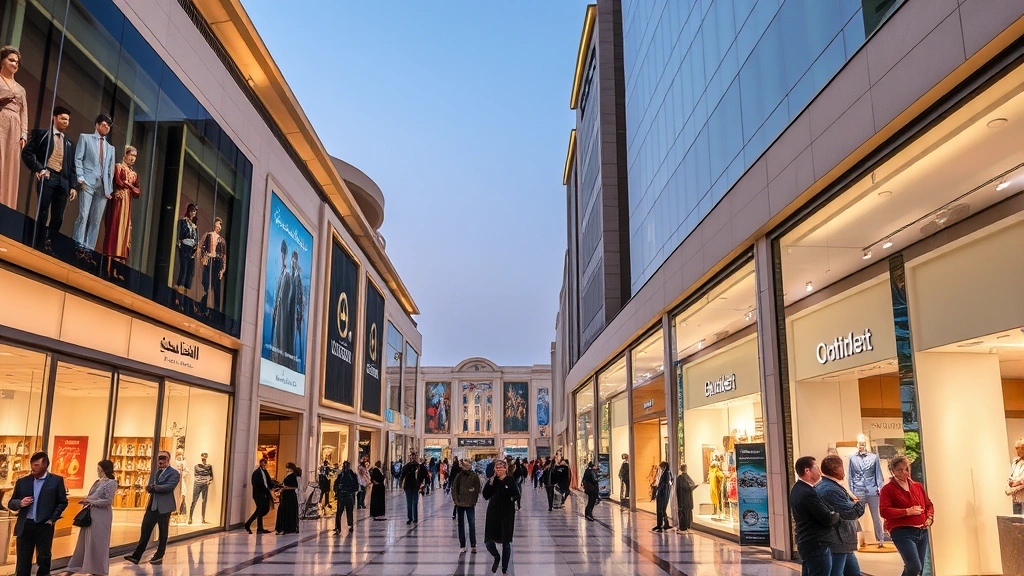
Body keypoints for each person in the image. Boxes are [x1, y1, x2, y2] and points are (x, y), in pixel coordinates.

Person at [23, 106, 77, 252]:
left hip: (63, 180)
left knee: (58, 216)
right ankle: (38, 241)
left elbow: (72, 166)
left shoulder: (69, 143)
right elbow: (27, 153)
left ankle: (49, 243)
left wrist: (72, 186)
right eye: (63, 118)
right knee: (43, 211)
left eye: (68, 120)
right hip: (48, 176)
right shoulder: (43, 135)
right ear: (54, 118)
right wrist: (39, 168)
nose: (66, 122)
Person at [7, 452, 68, 576]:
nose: (33, 468)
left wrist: (52, 518)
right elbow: (11, 503)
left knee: (44, 559)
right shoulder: (22, 482)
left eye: (36, 465)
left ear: (45, 465)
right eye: (32, 465)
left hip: (44, 526)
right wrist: (20, 503)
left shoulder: (56, 481)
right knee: (23, 561)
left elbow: (62, 502)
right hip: (25, 526)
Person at [879, 455, 934, 576]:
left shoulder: (918, 486)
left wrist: (929, 517)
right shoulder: (887, 489)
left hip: (921, 531)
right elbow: (884, 511)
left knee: (918, 568)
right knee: (914, 566)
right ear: (892, 470)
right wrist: (907, 511)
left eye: (906, 469)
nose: (904, 472)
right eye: (900, 469)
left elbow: (929, 504)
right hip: (902, 531)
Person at [124, 450, 180, 565]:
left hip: (164, 508)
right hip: (152, 506)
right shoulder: (155, 472)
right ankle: (137, 556)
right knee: (145, 530)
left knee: (163, 532)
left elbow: (169, 486)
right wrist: (150, 488)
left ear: (168, 459)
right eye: (159, 458)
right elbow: (149, 486)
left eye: (164, 458)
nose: (161, 460)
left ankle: (159, 555)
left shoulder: (174, 473)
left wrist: (155, 488)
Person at [815, 455, 866, 576]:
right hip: (837, 541)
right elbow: (851, 513)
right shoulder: (831, 489)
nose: (844, 470)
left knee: (854, 573)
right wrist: (860, 502)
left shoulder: (827, 486)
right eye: (842, 467)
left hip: (841, 541)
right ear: (835, 469)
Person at [790, 456, 841, 576]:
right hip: (816, 544)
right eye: (817, 467)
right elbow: (827, 518)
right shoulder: (808, 493)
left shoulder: (797, 489)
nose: (819, 471)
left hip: (806, 541)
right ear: (807, 471)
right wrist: (836, 515)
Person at [65, 460, 117, 575]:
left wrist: (90, 501)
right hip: (91, 514)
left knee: (98, 542)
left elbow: (108, 501)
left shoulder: (111, 483)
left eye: (99, 469)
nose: (97, 471)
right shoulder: (97, 482)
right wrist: (87, 500)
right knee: (86, 541)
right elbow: (92, 495)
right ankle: (80, 566)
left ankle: (98, 569)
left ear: (105, 469)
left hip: (102, 516)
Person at [73, 113, 115, 252]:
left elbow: (110, 170)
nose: (106, 127)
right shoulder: (85, 138)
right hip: (88, 182)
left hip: (103, 188)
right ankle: (78, 244)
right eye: (104, 125)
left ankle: (89, 249)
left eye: (108, 126)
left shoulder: (110, 148)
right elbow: (78, 158)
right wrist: (80, 176)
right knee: (83, 215)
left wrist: (109, 189)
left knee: (96, 220)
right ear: (97, 125)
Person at [100, 145, 140, 275]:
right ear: (126, 155)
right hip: (117, 203)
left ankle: (119, 267)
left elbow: (138, 192)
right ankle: (108, 266)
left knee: (124, 234)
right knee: (114, 230)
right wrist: (129, 186)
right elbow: (117, 181)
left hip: (127, 205)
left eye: (135, 157)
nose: (133, 159)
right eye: (131, 156)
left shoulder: (134, 174)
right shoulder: (118, 167)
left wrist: (129, 186)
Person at [0, 45, 28, 210]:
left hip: (15, 127)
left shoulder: (21, 89)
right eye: (11, 60)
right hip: (1, 120)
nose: (15, 64)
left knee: (11, 165)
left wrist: (24, 134)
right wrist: (7, 95)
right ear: (2, 61)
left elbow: (24, 112)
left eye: (17, 62)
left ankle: (6, 206)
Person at [848, 435, 885, 548]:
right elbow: (851, 476)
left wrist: (879, 487)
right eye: (859, 443)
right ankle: (855, 540)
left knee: (876, 517)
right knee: (855, 516)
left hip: (872, 490)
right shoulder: (852, 459)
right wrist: (852, 491)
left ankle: (880, 540)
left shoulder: (874, 457)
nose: (861, 445)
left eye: (863, 443)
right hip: (858, 490)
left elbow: (878, 473)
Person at [483, 459, 520, 574]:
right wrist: (490, 481)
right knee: (488, 540)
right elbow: (485, 495)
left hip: (506, 514)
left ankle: (504, 568)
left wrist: (510, 499)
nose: (498, 470)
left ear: (505, 469)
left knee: (506, 542)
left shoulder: (510, 480)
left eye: (500, 468)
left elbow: (516, 494)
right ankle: (496, 556)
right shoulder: (493, 481)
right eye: (496, 468)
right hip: (493, 513)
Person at [198, 217, 228, 310]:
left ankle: (215, 310)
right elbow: (201, 247)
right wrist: (203, 258)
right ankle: (203, 306)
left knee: (216, 287)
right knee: (206, 284)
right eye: (218, 224)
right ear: (215, 224)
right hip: (209, 261)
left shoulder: (222, 241)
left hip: (217, 263)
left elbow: (223, 256)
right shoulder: (208, 235)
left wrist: (223, 270)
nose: (219, 227)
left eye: (220, 225)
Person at [453, 459, 481, 553]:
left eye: (467, 465)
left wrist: (474, 498)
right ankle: (462, 544)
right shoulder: (459, 476)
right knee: (461, 524)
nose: (466, 467)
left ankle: (473, 544)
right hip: (460, 503)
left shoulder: (474, 476)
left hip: (470, 503)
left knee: (471, 523)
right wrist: (456, 500)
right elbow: (455, 488)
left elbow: (478, 488)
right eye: (464, 465)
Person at [244, 458, 273, 534]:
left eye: (265, 463)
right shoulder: (256, 473)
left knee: (264, 509)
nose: (264, 464)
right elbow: (256, 484)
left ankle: (259, 527)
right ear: (260, 463)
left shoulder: (265, 472)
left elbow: (268, 482)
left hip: (265, 493)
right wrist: (262, 492)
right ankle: (248, 524)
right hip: (259, 494)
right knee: (259, 510)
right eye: (263, 463)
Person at [175, 203, 198, 293]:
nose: (193, 213)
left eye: (195, 211)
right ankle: (179, 285)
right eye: (192, 211)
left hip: (192, 248)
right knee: (183, 267)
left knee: (190, 269)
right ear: (188, 211)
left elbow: (196, 238)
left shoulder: (194, 226)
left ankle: (186, 288)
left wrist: (195, 248)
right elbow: (178, 235)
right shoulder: (182, 221)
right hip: (184, 245)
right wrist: (179, 245)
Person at [400, 452, 426, 524]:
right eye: (412, 456)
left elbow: (423, 475)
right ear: (410, 457)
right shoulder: (406, 466)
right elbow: (402, 476)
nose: (413, 458)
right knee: (409, 503)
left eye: (414, 456)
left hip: (415, 486)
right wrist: (401, 483)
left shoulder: (419, 466)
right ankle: (410, 518)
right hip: (408, 486)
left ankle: (415, 518)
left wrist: (422, 485)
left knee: (415, 502)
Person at [274, 463, 300, 534]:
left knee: (287, 510)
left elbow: (295, 486)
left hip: (290, 495)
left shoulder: (292, 476)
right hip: (285, 495)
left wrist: (285, 488)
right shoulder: (288, 476)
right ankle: (283, 528)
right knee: (283, 510)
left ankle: (286, 528)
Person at [333, 461, 358, 534]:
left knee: (349, 511)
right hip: (342, 495)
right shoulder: (341, 475)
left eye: (346, 466)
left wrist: (351, 490)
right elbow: (336, 484)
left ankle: (350, 525)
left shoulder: (351, 475)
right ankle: (338, 528)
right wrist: (337, 491)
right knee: (339, 512)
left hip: (348, 495)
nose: (345, 467)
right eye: (344, 466)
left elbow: (355, 485)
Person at [188, 452, 213, 525]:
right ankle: (190, 517)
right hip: (198, 484)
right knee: (194, 501)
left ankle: (203, 518)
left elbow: (211, 475)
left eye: (205, 456)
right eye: (203, 456)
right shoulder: (196, 466)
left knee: (204, 501)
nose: (204, 457)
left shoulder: (209, 466)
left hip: (205, 484)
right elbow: (195, 475)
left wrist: (209, 481)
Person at [675, 463, 697, 532]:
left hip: (683, 499)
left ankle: (685, 526)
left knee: (684, 512)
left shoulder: (680, 477)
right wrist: (693, 487)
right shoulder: (683, 477)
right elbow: (686, 487)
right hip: (685, 499)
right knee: (685, 513)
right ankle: (685, 526)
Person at [653, 461, 673, 532]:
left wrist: (658, 488)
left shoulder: (667, 473)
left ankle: (663, 524)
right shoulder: (666, 473)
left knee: (661, 509)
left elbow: (666, 483)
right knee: (661, 509)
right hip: (663, 493)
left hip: (663, 494)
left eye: (661, 467)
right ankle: (662, 524)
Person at [1008, 438, 1024, 515]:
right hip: (1016, 499)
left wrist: (1016, 483)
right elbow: (1011, 477)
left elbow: (1022, 480)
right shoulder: (1015, 462)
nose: (1016, 451)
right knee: (1016, 524)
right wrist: (1011, 483)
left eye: (1018, 448)